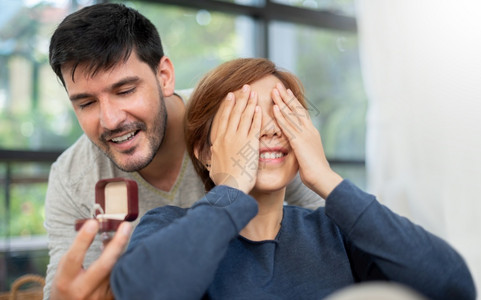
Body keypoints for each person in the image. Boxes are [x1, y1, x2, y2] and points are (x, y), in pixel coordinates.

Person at [110, 58, 476, 300]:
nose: (270, 129)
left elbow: (453, 286)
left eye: (284, 114)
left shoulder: (337, 234)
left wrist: (327, 179)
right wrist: (232, 184)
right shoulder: (168, 226)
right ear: (205, 152)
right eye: (248, 118)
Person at [44, 3, 323, 299]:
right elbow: (66, 285)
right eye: (86, 103)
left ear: (164, 76)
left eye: (125, 91)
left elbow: (332, 226)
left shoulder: (231, 123)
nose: (110, 120)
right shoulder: (72, 178)